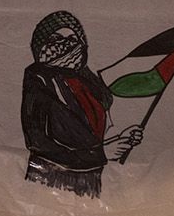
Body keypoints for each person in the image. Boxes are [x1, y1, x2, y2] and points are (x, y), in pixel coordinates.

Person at [20, 11, 142, 198]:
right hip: (52, 179)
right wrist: (100, 153)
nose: (66, 44)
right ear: (41, 45)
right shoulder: (38, 79)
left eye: (72, 39)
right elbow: (37, 141)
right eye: (56, 38)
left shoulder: (88, 80)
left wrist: (121, 138)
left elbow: (94, 129)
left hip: (91, 178)